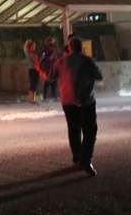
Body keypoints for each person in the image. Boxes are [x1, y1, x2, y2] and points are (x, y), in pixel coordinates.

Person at [43, 36, 103, 176]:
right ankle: (86, 160)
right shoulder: (87, 60)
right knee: (90, 130)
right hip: (86, 100)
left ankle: (77, 156)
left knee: (73, 128)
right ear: (82, 48)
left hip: (67, 100)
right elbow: (99, 76)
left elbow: (49, 76)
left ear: (69, 48)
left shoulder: (62, 61)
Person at [23, 39, 41, 105]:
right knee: (34, 84)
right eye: (33, 46)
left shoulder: (27, 53)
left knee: (33, 84)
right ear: (30, 46)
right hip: (34, 69)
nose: (34, 47)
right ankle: (32, 100)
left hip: (31, 69)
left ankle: (32, 100)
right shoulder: (31, 53)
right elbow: (37, 62)